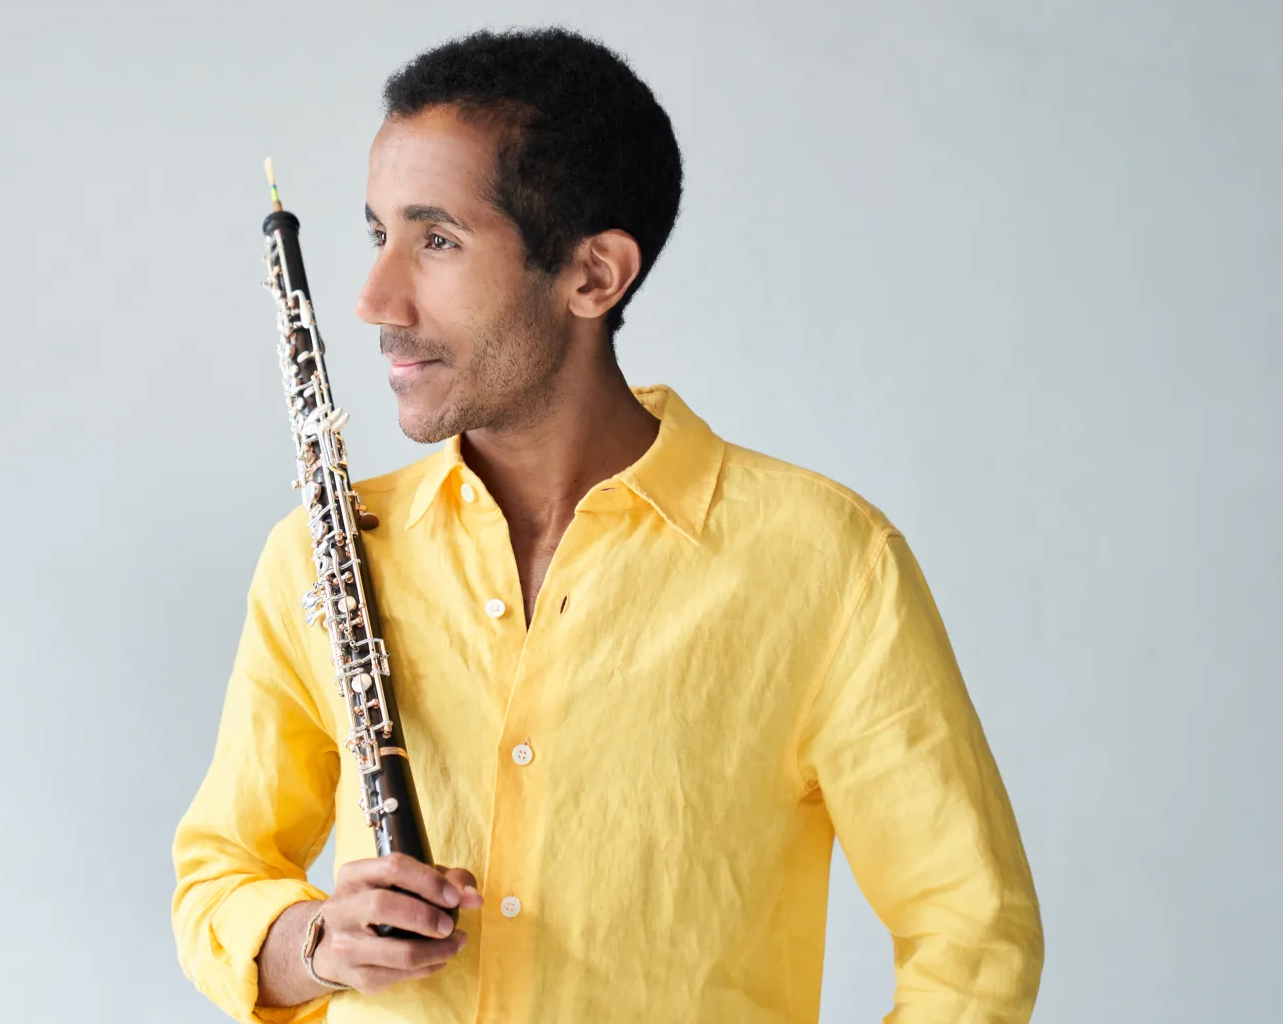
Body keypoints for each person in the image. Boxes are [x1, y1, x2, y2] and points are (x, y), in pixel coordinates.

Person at [171, 26, 1044, 1024]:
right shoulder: (318, 556)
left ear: (594, 275)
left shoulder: (828, 563)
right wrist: (314, 942)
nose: (375, 299)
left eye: (438, 239)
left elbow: (973, 933)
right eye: (378, 235)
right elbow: (221, 873)